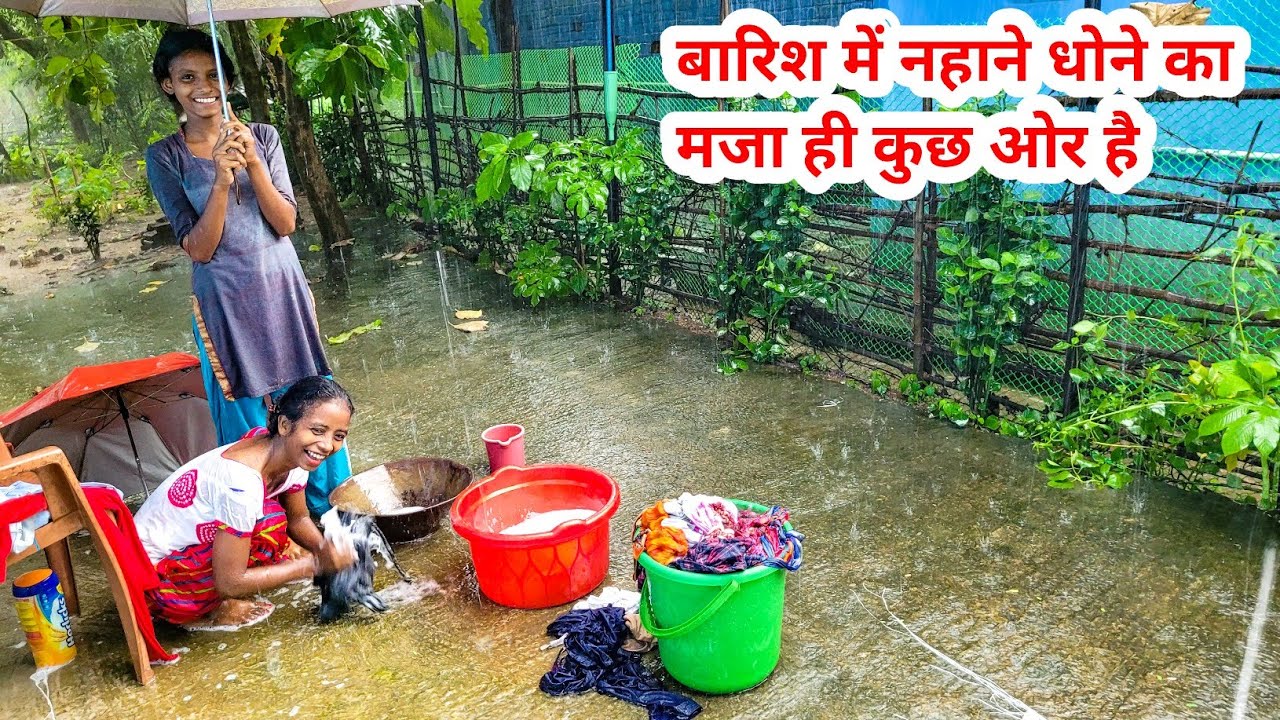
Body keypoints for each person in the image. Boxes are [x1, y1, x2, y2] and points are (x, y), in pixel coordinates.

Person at [145, 28, 349, 514]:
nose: (203, 87)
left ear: (230, 83)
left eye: (215, 76)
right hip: (224, 302)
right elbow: (198, 247)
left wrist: (254, 165)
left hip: (282, 289)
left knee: (310, 400)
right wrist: (219, 181)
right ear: (169, 85)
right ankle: (262, 524)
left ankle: (333, 509)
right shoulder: (164, 156)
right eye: (188, 77)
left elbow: (286, 223)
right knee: (244, 415)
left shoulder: (263, 137)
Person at [135, 377, 358, 630]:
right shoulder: (240, 483)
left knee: (272, 523)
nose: (327, 445)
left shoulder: (288, 453)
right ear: (285, 425)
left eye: (338, 435)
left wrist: (327, 551)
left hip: (188, 547)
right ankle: (211, 609)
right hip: (152, 577)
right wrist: (313, 566)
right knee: (269, 523)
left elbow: (299, 519)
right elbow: (230, 582)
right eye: (317, 430)